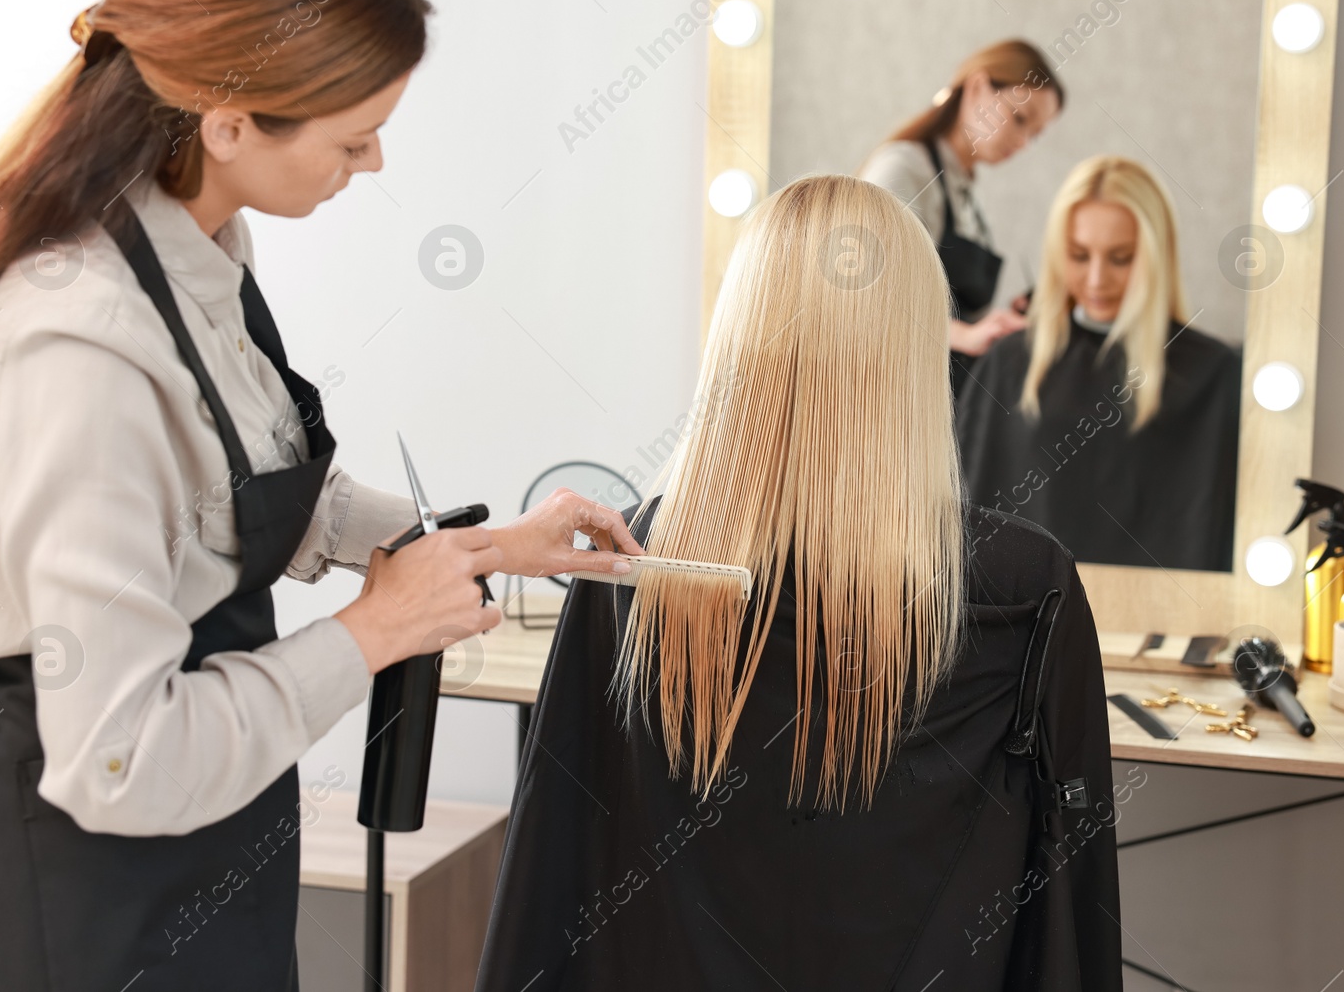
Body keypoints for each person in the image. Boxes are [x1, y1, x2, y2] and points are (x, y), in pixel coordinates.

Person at [0, 0, 641, 989]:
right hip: (81, 882)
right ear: (226, 122)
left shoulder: (199, 245)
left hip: (210, 835)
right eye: (355, 138)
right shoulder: (79, 345)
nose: (374, 165)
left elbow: (238, 495)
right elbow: (122, 756)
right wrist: (374, 630)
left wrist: (487, 543)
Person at [476, 175, 1120, 990]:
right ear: (916, 346)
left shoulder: (642, 551)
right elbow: (1070, 892)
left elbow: (555, 867)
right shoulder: (1023, 580)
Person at [955, 156, 1241, 572]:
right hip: (1034, 624)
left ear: (1156, 255)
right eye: (1078, 255)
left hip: (1168, 625)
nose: (1095, 279)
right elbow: (967, 521)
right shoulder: (1010, 363)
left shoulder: (1212, 372)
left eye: (1121, 258)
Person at [858, 40, 1064, 379]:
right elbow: (865, 294)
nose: (1023, 142)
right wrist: (964, 335)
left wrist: (995, 322)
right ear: (978, 87)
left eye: (1035, 135)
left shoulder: (970, 202)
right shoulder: (904, 170)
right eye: (1019, 118)